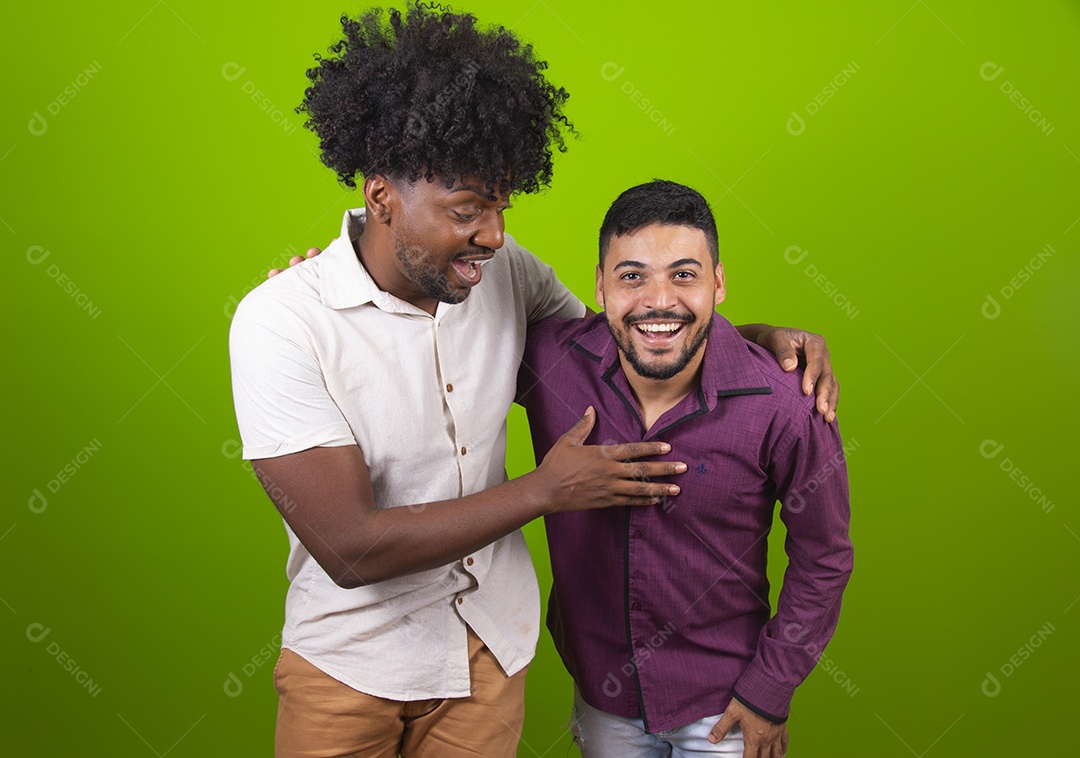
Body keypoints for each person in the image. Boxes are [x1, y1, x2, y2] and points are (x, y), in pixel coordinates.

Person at [231, 4, 838, 757]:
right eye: (467, 210)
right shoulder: (282, 321)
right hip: (350, 663)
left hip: (490, 652)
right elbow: (349, 548)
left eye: (500, 207)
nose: (494, 235)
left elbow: (623, 337)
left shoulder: (502, 273)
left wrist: (756, 340)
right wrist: (544, 491)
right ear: (381, 197)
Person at [517, 180, 854, 758]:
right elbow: (439, 353)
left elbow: (823, 557)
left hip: (727, 705)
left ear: (717, 283)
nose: (658, 300)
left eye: (683, 275)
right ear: (599, 286)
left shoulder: (788, 403)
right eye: (631, 276)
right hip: (602, 692)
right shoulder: (548, 362)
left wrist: (771, 690)